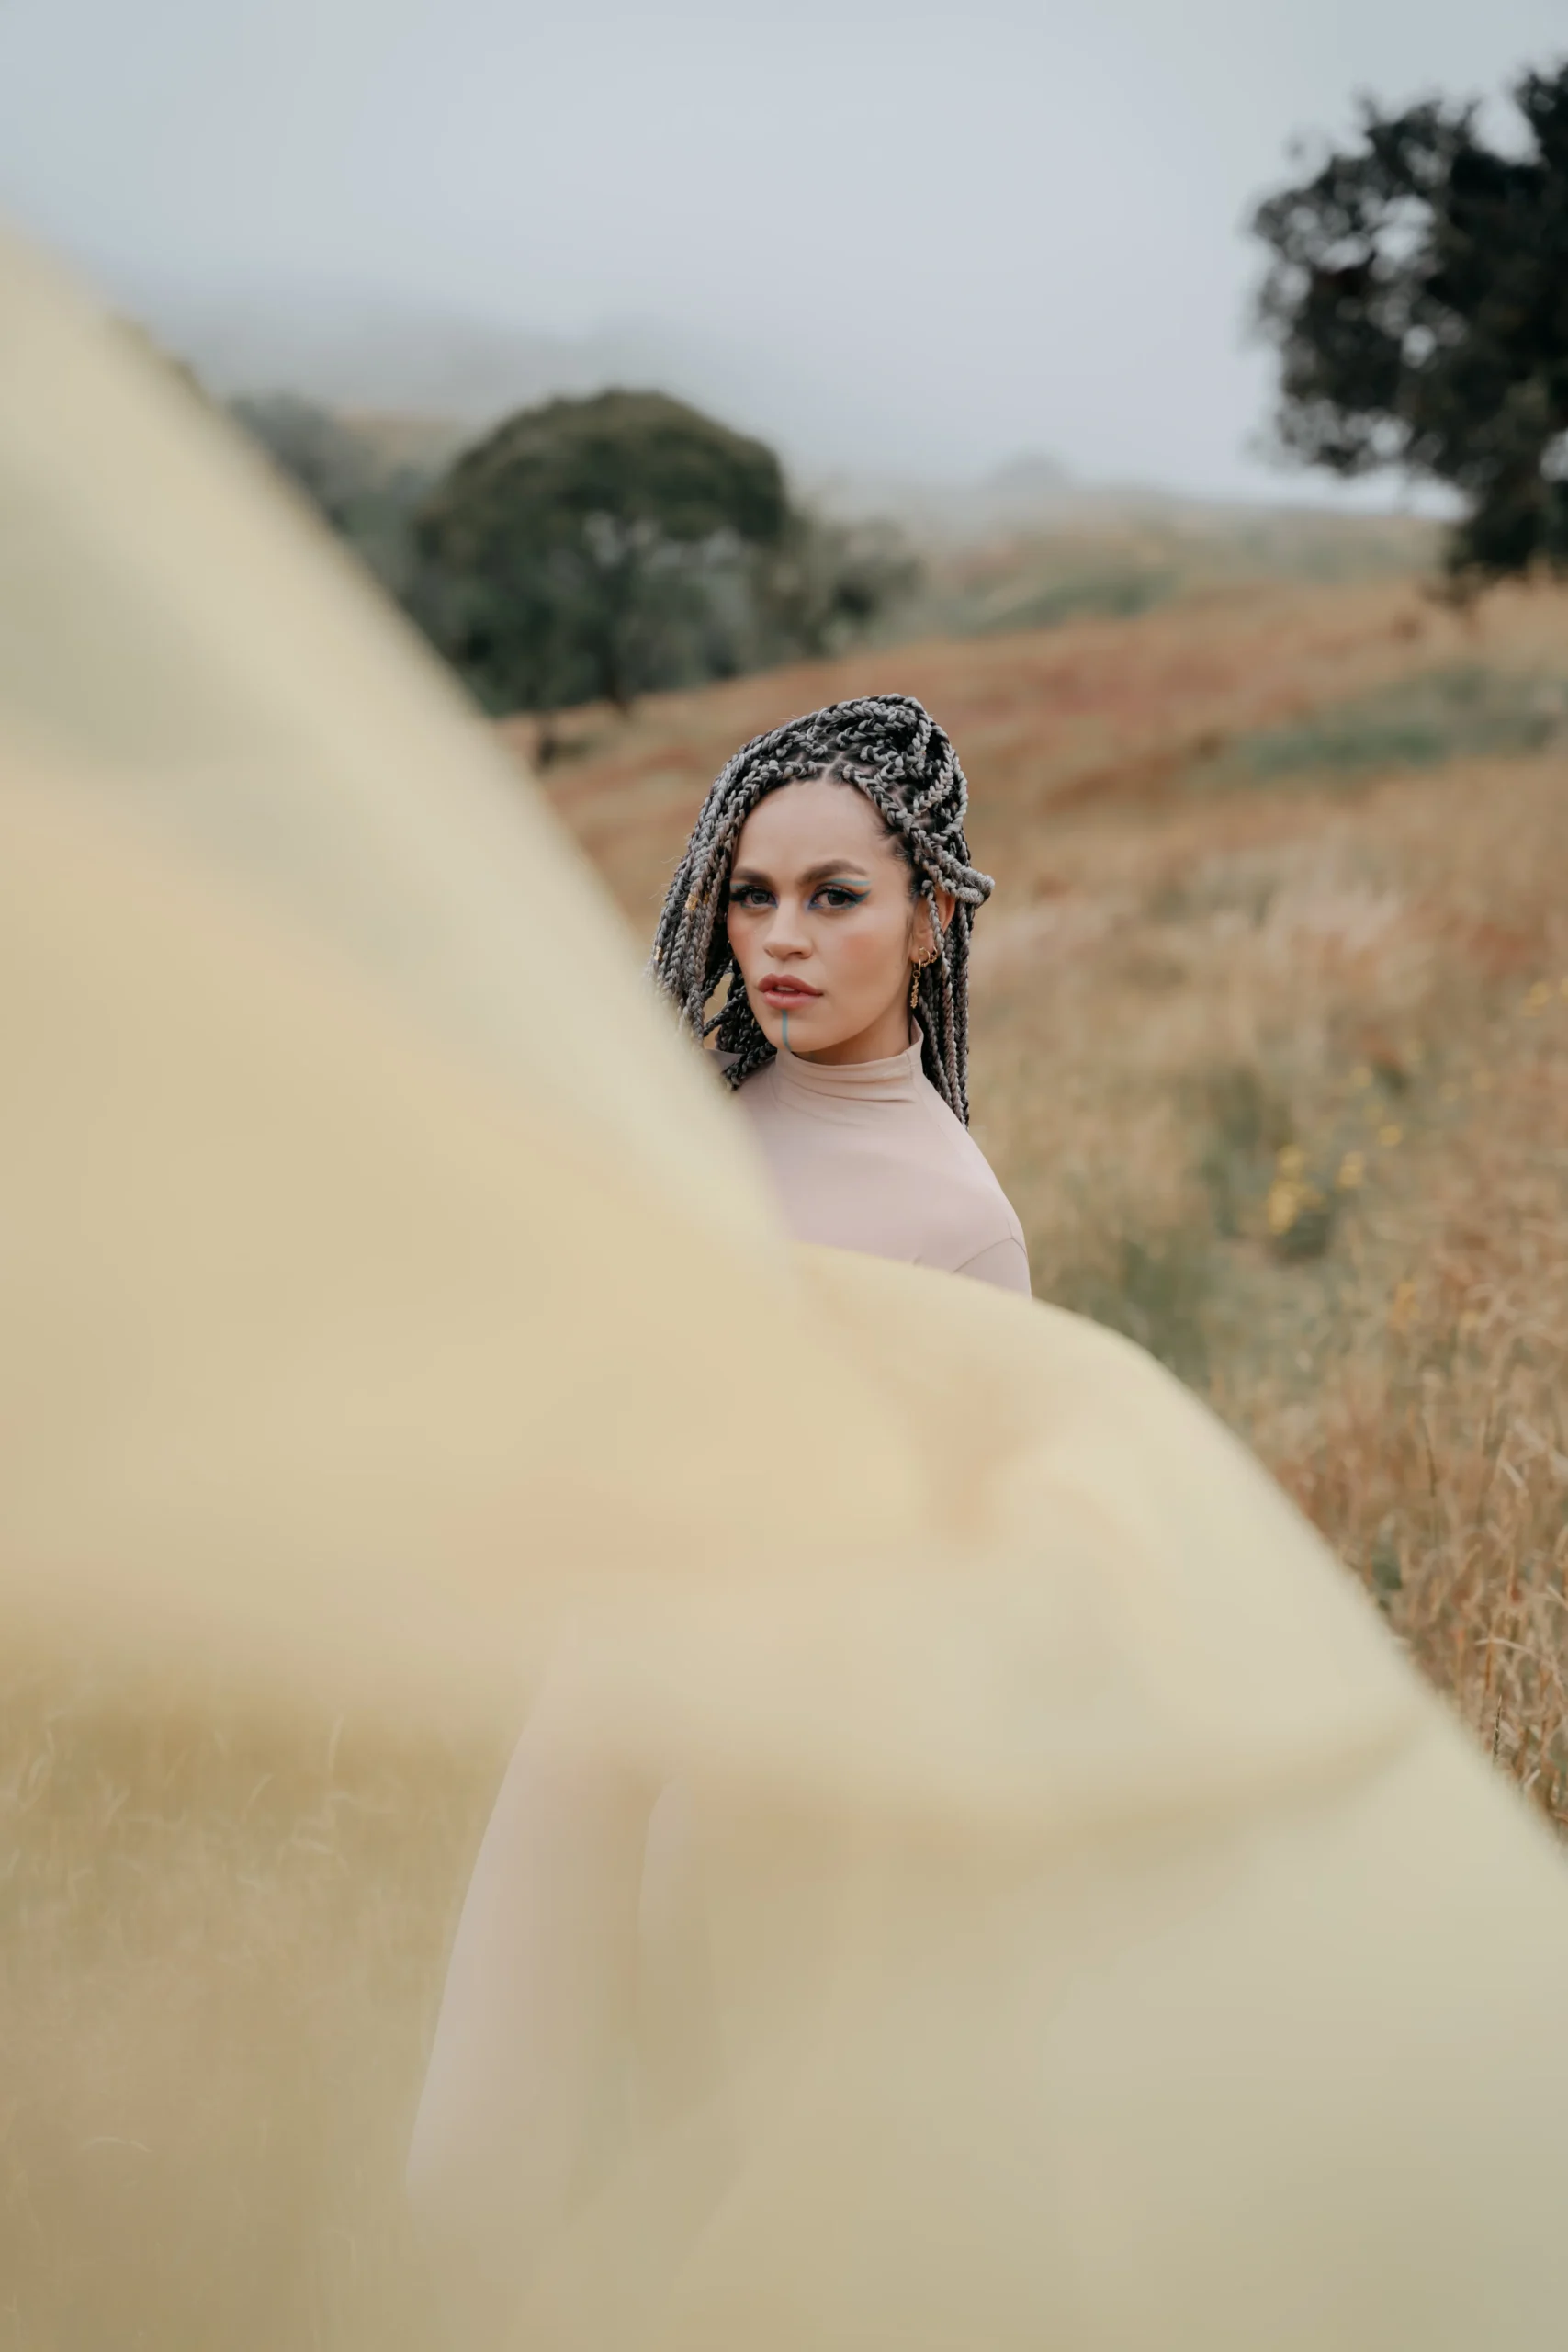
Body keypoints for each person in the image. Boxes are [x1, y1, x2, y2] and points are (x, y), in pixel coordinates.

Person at [649, 695, 1031, 1295]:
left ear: (928, 919)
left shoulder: (967, 1231)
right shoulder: (666, 1103)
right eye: (754, 896)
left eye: (834, 897)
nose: (781, 939)